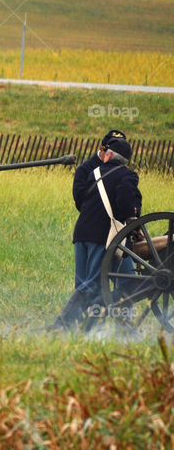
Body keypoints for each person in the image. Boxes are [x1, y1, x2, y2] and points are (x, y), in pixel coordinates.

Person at [52, 132, 140, 332]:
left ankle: (87, 328)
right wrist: (131, 220)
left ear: (108, 154)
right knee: (95, 284)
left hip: (83, 233)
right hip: (104, 236)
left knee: (91, 284)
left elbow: (85, 201)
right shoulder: (127, 175)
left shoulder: (94, 172)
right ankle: (63, 327)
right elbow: (125, 201)